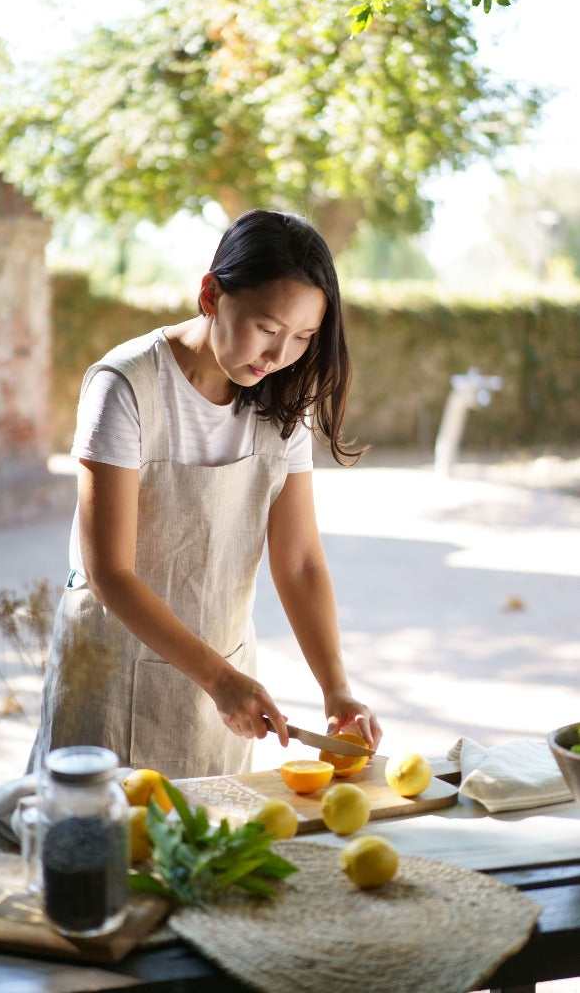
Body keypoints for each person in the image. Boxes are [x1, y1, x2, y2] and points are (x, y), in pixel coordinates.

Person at [27, 209, 382, 780]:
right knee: (101, 852)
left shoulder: (285, 402)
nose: (277, 356)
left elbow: (300, 562)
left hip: (220, 686)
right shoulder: (126, 385)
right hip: (110, 678)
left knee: (209, 856)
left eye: (302, 338)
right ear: (211, 295)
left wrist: (337, 689)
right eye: (267, 329)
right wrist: (218, 679)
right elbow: (108, 572)